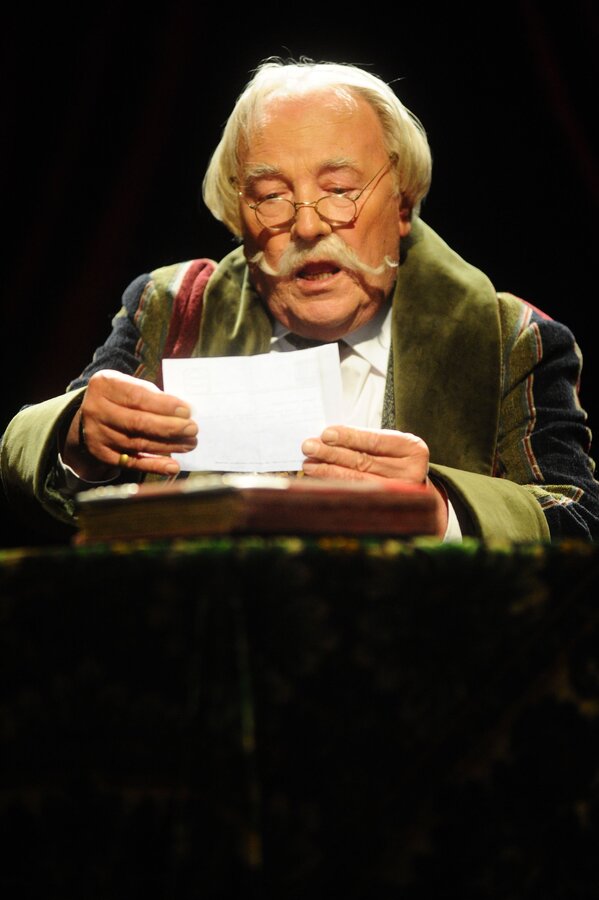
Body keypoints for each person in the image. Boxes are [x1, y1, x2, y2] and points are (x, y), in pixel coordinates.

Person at [1, 56, 598, 543]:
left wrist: (437, 508)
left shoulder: (510, 338)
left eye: (339, 191)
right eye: (271, 196)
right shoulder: (170, 307)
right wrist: (78, 435)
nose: (307, 227)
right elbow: (37, 471)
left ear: (402, 204)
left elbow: (578, 523)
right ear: (239, 218)